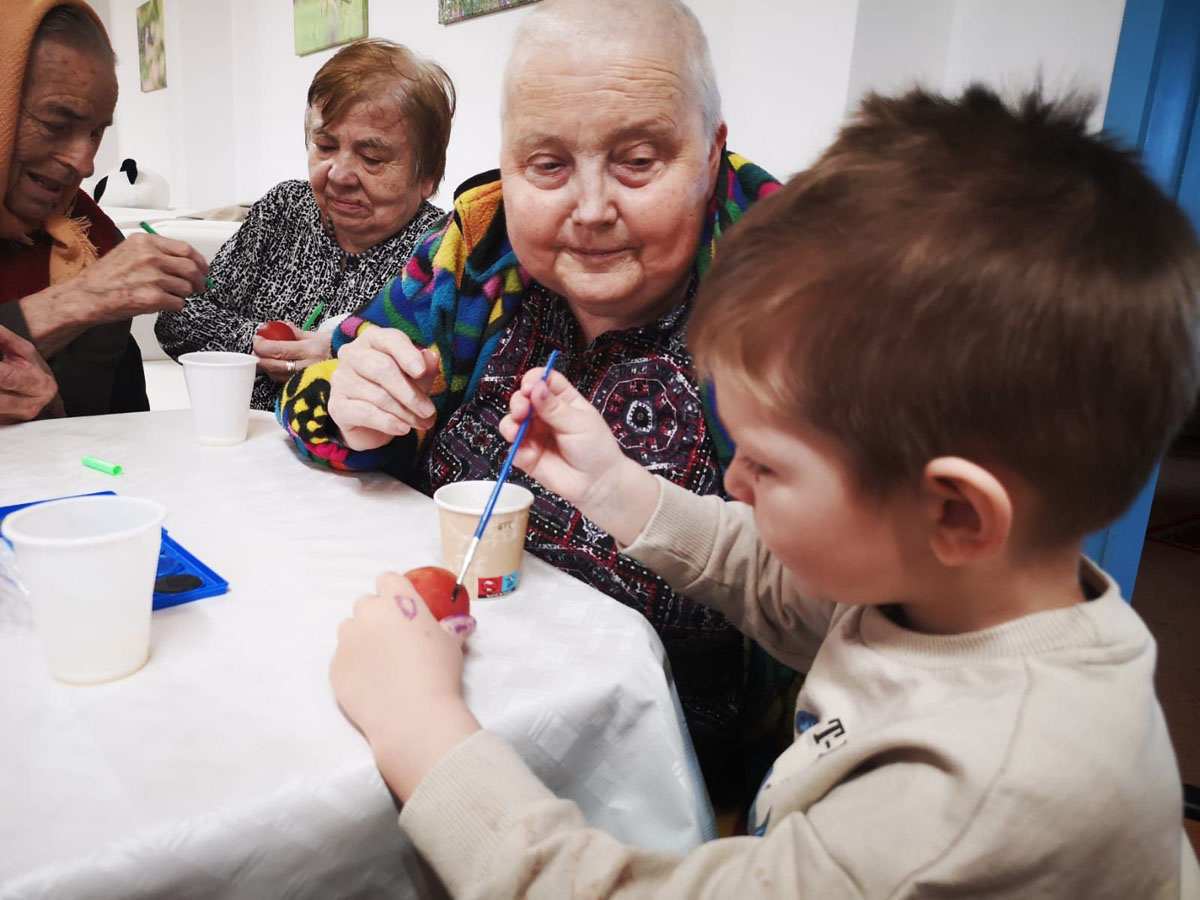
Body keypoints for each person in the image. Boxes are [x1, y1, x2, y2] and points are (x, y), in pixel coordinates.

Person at [328, 86, 1200, 896]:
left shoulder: (972, 800)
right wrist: (619, 489)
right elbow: (781, 581)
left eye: (769, 466)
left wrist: (419, 725)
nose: (735, 477)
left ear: (956, 512)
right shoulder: (959, 591)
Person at [278, 0, 782, 796]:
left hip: (659, 772)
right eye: (546, 166)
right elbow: (318, 387)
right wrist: (350, 403)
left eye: (638, 161)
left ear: (712, 153)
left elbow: (838, 593)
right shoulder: (478, 248)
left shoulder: (794, 294)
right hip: (428, 682)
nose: (591, 210)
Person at [154, 39, 453, 412]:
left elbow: (444, 382)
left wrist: (339, 355)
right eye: (325, 146)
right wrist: (255, 343)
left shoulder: (442, 252)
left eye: (372, 158)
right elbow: (176, 320)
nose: (339, 175)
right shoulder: (285, 210)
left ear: (428, 175)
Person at [0, 0, 209, 419]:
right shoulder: (99, 277)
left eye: (96, 133)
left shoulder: (94, 240)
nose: (85, 163)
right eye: (56, 124)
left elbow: (88, 422)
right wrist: (78, 299)